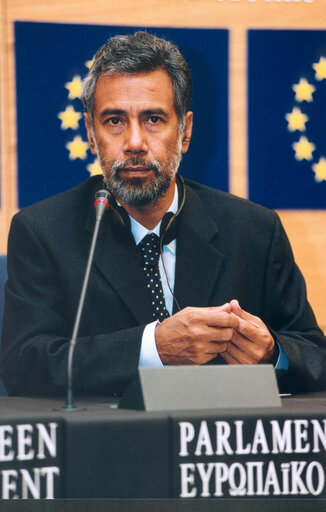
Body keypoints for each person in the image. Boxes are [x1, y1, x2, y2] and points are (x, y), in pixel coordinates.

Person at [1, 31, 325, 397]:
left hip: (219, 448)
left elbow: (315, 356)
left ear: (185, 132)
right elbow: (23, 365)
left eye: (153, 119)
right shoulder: (44, 232)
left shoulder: (254, 230)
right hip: (107, 448)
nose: (135, 142)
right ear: (91, 134)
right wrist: (153, 348)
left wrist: (273, 353)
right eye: (114, 121)